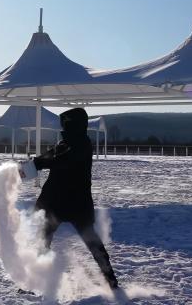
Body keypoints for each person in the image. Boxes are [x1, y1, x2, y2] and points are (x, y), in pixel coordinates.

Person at [19, 107, 119, 289]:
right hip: (57, 203)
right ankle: (35, 282)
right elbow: (52, 155)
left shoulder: (82, 144)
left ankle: (111, 280)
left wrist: (39, 163)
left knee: (92, 242)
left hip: (76, 204)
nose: (64, 127)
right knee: (43, 241)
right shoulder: (65, 143)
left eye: (67, 123)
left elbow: (63, 160)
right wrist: (34, 162)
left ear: (76, 125)